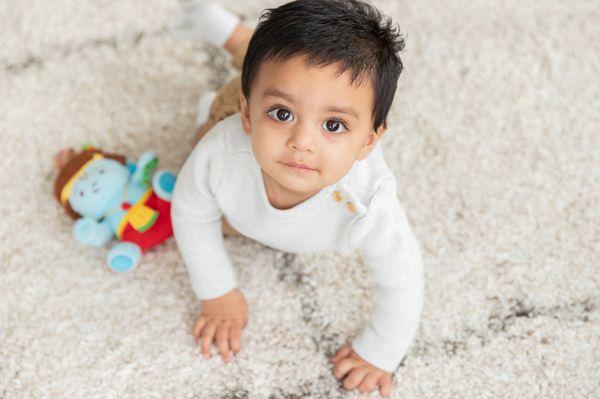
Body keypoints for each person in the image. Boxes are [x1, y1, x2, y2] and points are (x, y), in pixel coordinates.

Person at [170, 1, 424, 396]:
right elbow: (189, 212)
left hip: (266, 104)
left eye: (334, 125)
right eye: (282, 116)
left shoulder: (367, 203)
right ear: (249, 116)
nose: (302, 143)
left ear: (369, 142)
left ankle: (236, 39)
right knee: (238, 95)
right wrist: (217, 291)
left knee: (286, 78)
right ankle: (233, 40)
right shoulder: (220, 152)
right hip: (228, 107)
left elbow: (403, 277)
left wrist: (380, 351)